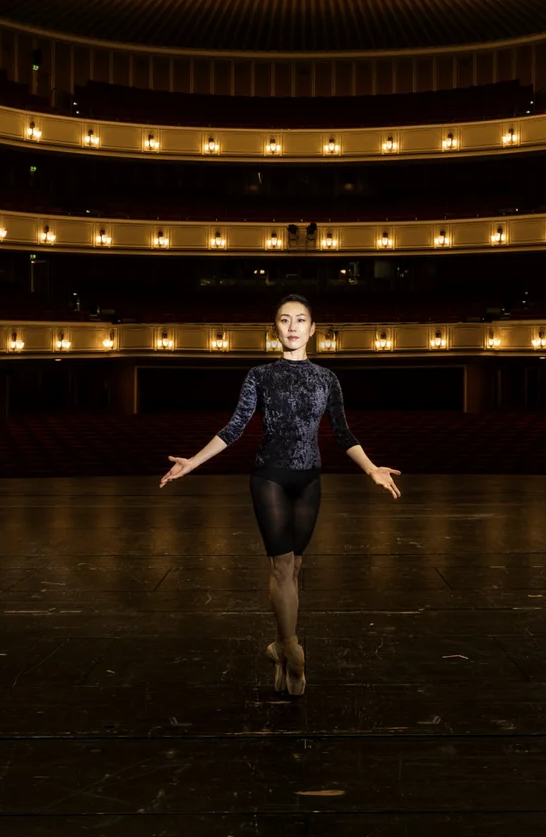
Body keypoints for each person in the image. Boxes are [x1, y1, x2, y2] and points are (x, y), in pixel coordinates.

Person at [158, 294, 402, 695]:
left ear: (312, 329)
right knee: (281, 566)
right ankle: (292, 648)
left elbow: (343, 434)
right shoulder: (259, 375)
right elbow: (234, 428)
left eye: (300, 320)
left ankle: (278, 647)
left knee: (294, 570)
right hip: (269, 477)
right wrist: (193, 462)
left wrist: (372, 468)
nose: (292, 326)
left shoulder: (327, 379)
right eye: (284, 320)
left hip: (310, 480)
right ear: (275, 329)